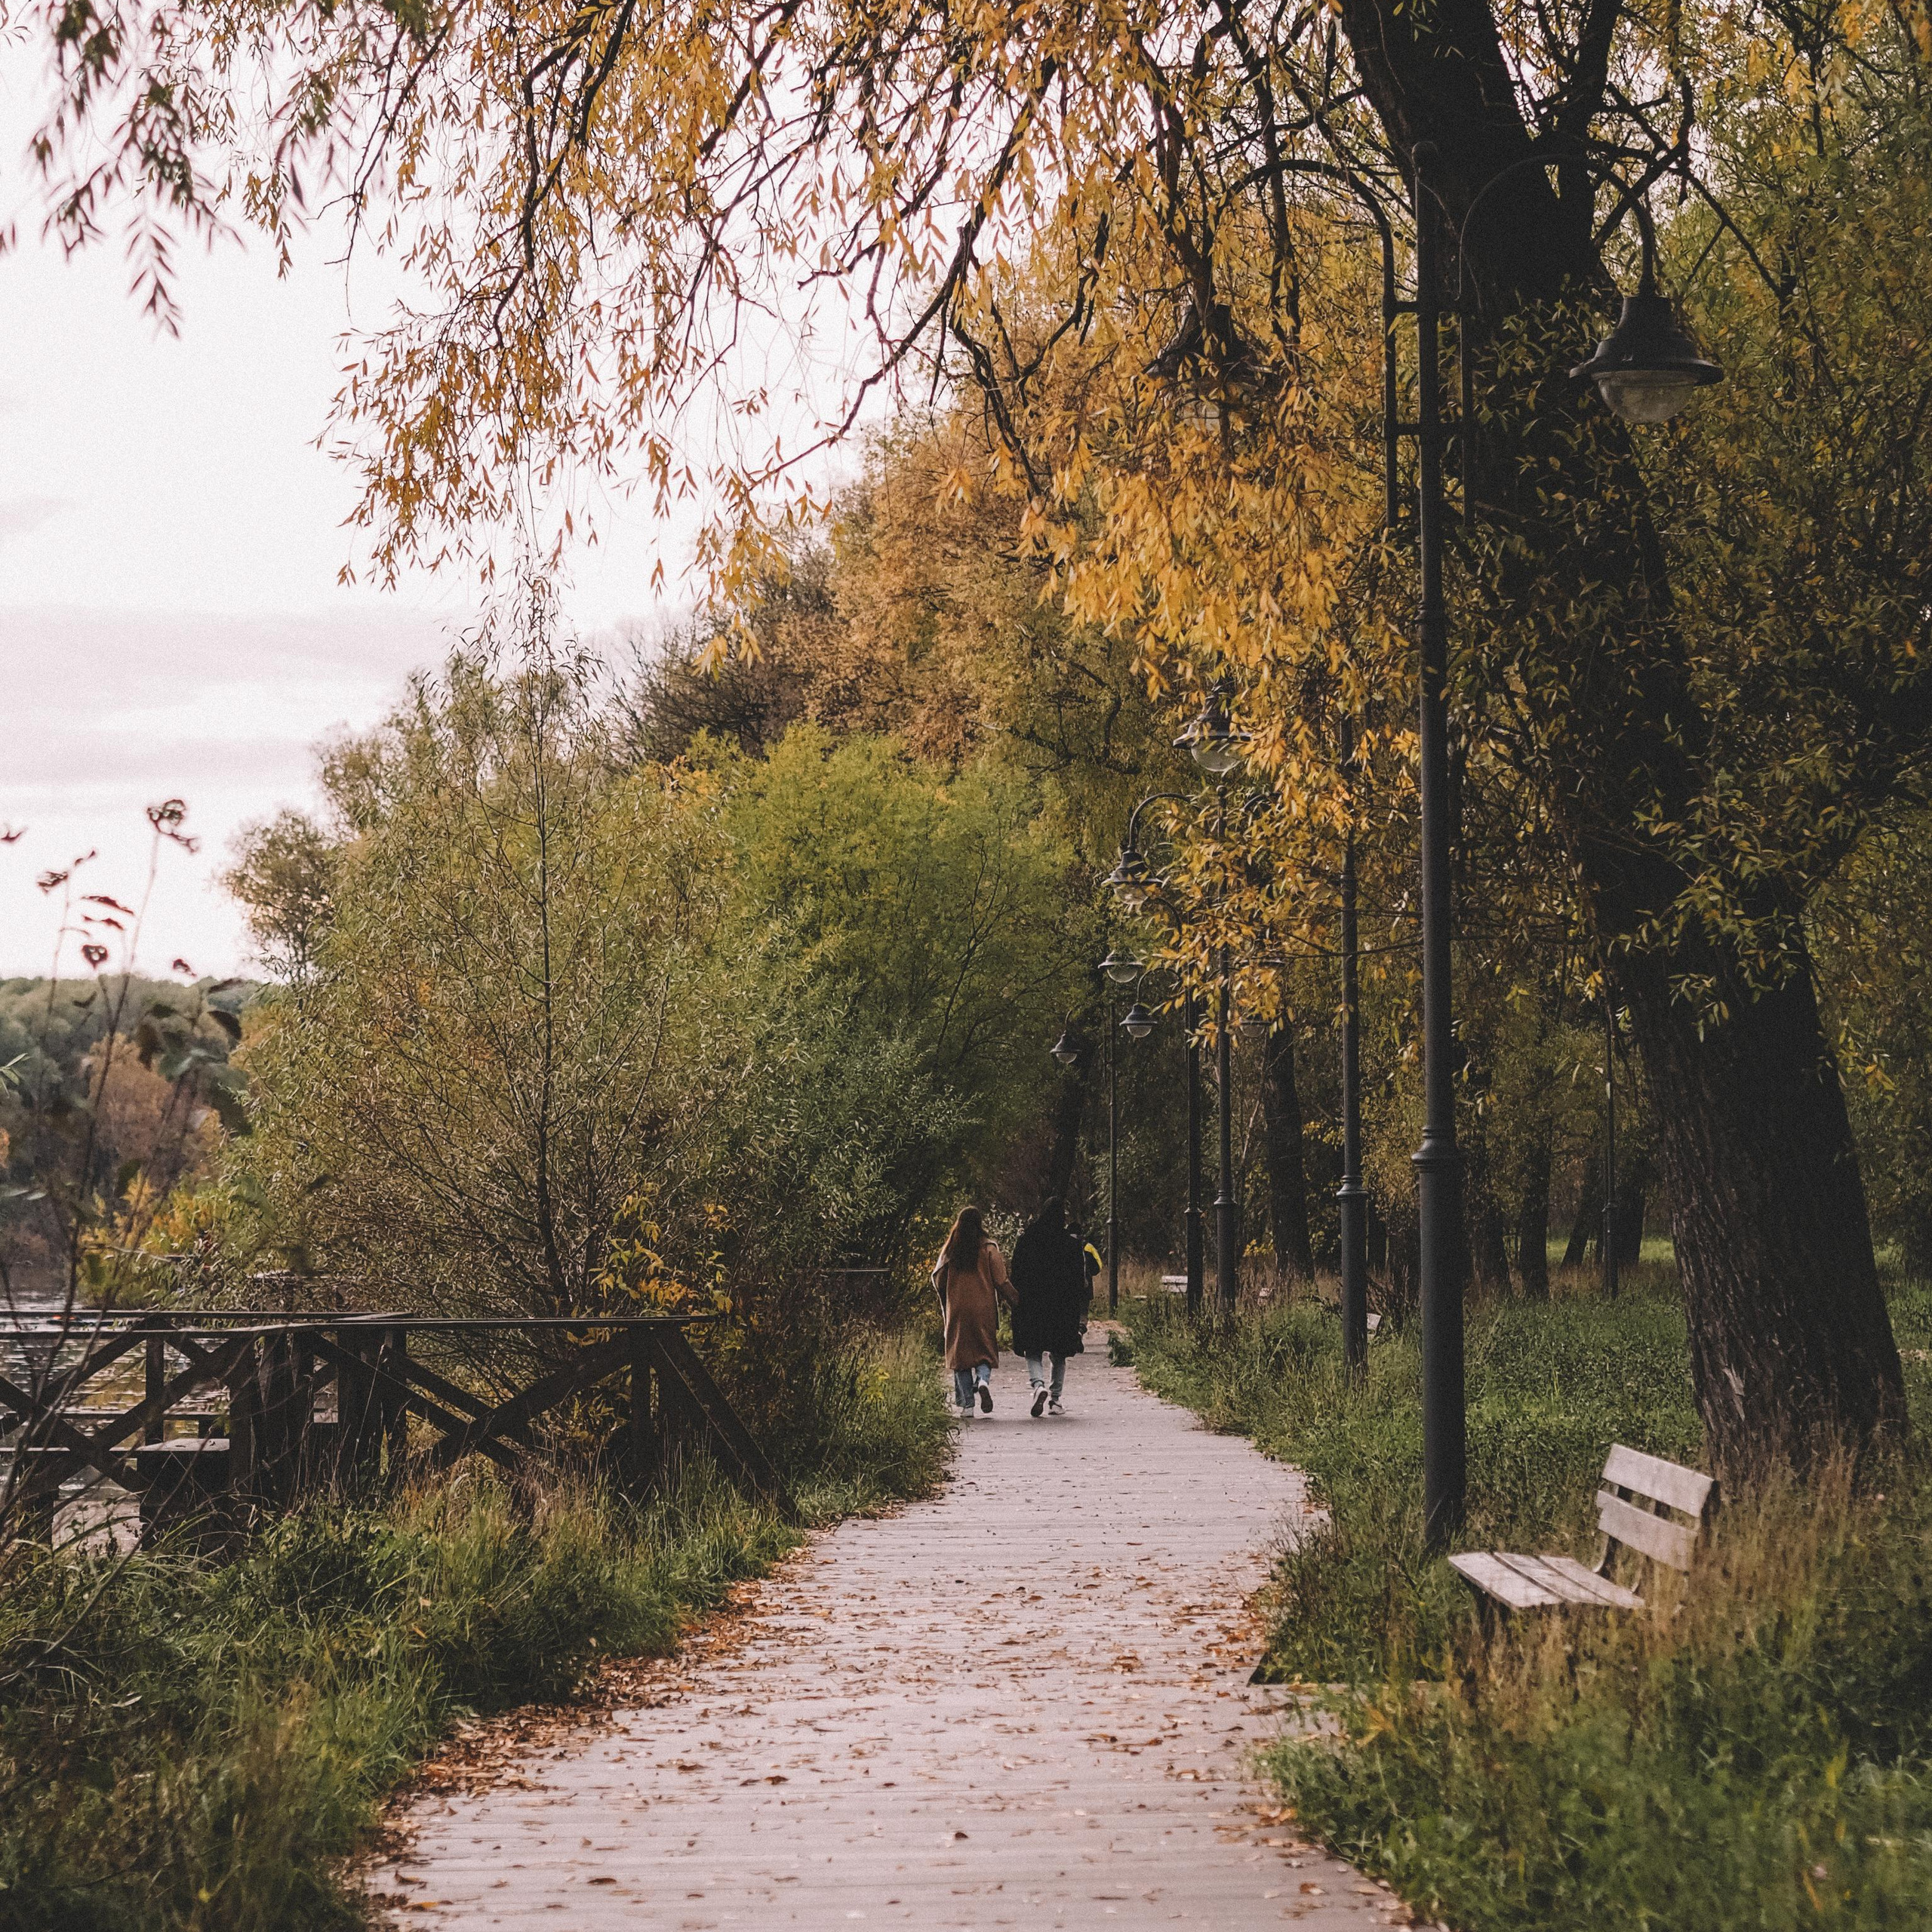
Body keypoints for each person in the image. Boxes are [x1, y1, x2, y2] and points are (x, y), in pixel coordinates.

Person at [1008, 1198, 1088, 1417]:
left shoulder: (1027, 1240)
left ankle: (1038, 1385)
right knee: (1058, 1352)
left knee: (1032, 1349)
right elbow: (1078, 1280)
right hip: (1061, 1306)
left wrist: (1017, 1301)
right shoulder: (1070, 1244)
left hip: (1033, 1304)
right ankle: (1055, 1400)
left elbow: (1016, 1273)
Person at [933, 1205, 1013, 1417]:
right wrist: (1017, 1302)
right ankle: (983, 1381)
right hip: (983, 1308)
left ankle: (968, 1406)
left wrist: (947, 1297)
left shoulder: (951, 1250)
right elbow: (1001, 1281)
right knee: (984, 1352)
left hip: (957, 1308)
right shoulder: (988, 1249)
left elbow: (938, 1279)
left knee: (960, 1357)